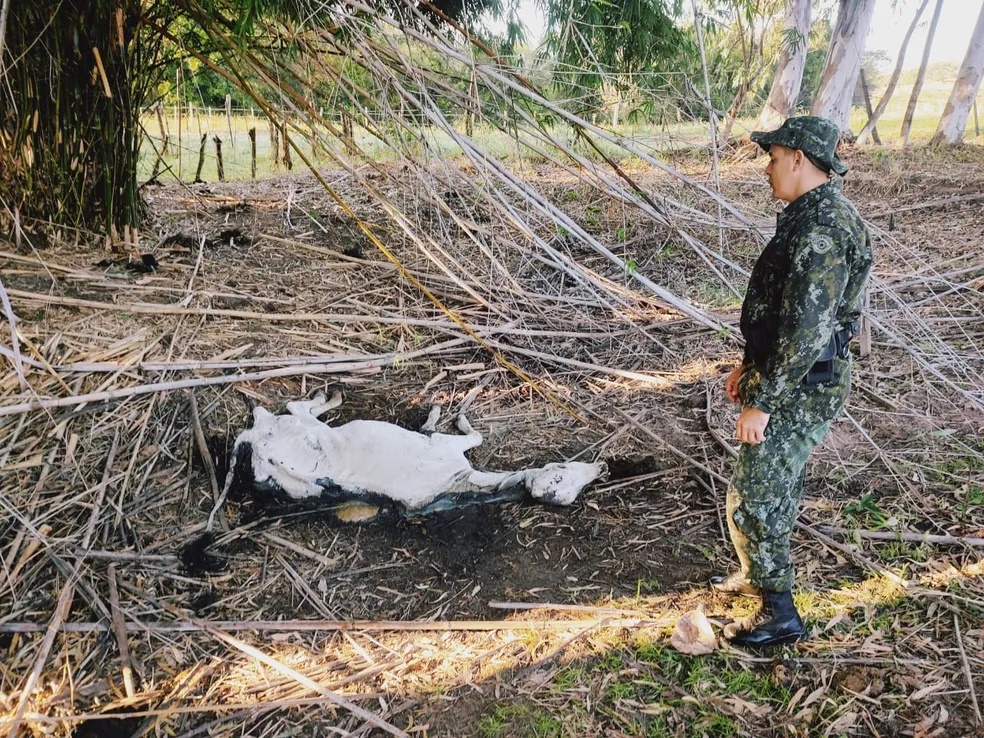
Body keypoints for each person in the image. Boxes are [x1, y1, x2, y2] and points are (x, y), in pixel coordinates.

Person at [712, 116, 874, 648]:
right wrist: (749, 364)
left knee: (758, 493)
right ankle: (761, 575)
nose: (767, 168)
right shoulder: (809, 216)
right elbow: (785, 316)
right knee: (766, 484)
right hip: (792, 374)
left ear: (800, 160)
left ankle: (777, 612)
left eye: (774, 156)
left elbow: (806, 336)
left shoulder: (822, 230)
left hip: (804, 383)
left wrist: (761, 399)